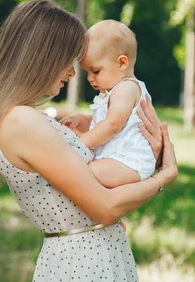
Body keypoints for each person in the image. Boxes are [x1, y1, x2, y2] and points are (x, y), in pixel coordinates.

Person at [0, 0, 178, 282]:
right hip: (82, 268)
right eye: (68, 60)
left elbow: (90, 189)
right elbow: (104, 208)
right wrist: (164, 175)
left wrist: (143, 153)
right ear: (42, 57)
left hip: (92, 258)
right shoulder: (21, 122)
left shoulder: (25, 118)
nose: (71, 72)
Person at [60, 20, 156, 189]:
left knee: (88, 171)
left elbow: (112, 125)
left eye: (95, 71)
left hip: (130, 161)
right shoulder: (112, 92)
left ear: (122, 63)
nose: (90, 78)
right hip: (116, 159)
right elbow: (105, 120)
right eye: (87, 72)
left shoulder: (127, 88)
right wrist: (84, 121)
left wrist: (82, 141)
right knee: (83, 170)